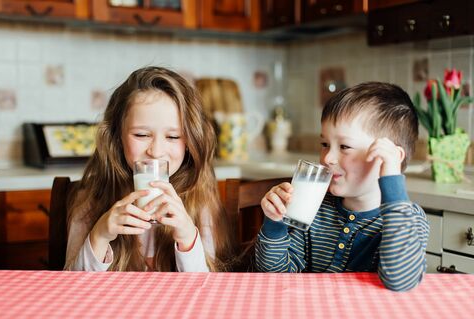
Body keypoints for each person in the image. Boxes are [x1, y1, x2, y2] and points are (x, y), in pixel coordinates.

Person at [255, 82, 430, 291]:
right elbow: (274, 276)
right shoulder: (314, 209)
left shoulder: (407, 219)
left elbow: (400, 281)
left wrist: (392, 177)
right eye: (324, 144)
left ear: (390, 157)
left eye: (345, 146)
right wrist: (275, 225)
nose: (328, 157)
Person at [65, 66, 235, 272]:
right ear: (117, 136)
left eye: (173, 137)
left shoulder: (200, 203)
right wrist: (100, 235)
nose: (156, 151)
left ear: (190, 141)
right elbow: (72, 288)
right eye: (141, 135)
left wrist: (188, 238)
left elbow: (205, 292)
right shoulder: (90, 201)